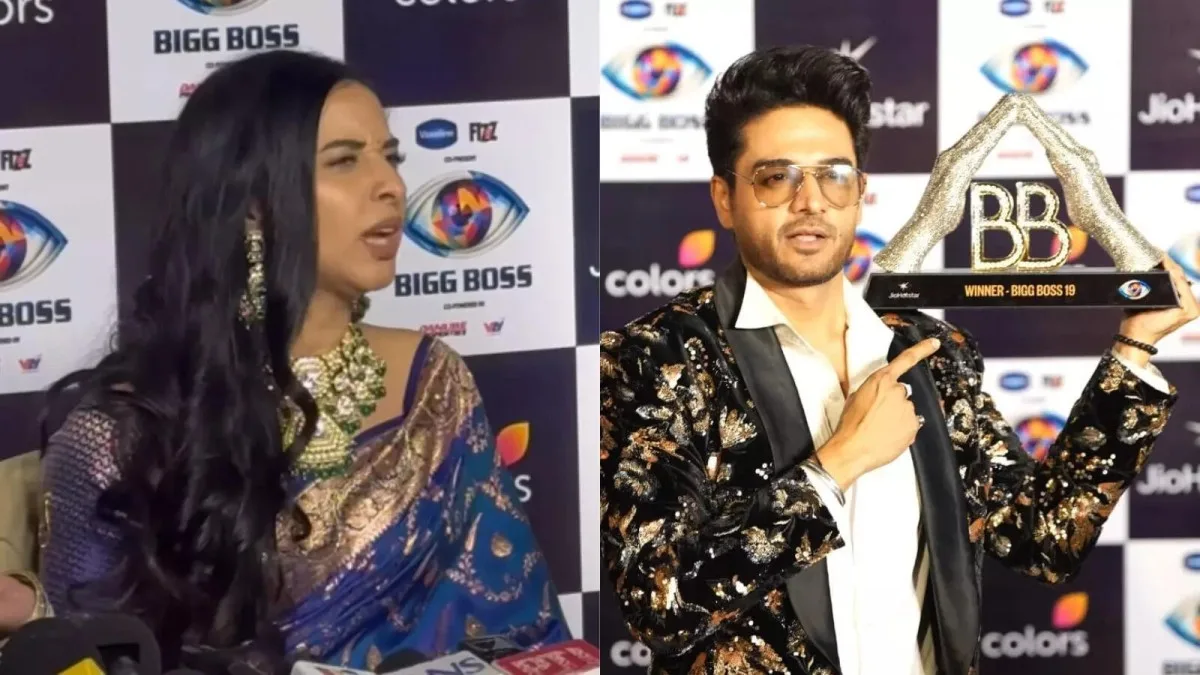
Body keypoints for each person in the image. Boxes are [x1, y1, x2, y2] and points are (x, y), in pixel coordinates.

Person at [598, 45, 1197, 674]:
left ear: (860, 192)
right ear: (724, 198)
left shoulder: (931, 353)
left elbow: (1041, 539)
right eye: (776, 177)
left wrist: (1134, 349)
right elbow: (659, 604)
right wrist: (837, 465)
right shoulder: (654, 359)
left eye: (833, 175)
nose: (810, 201)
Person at [0, 49, 569, 671]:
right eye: (345, 161)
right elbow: (91, 651)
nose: (391, 186)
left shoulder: (431, 380)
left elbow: (520, 634)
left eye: (391, 156)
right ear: (251, 201)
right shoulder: (123, 431)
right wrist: (33, 614)